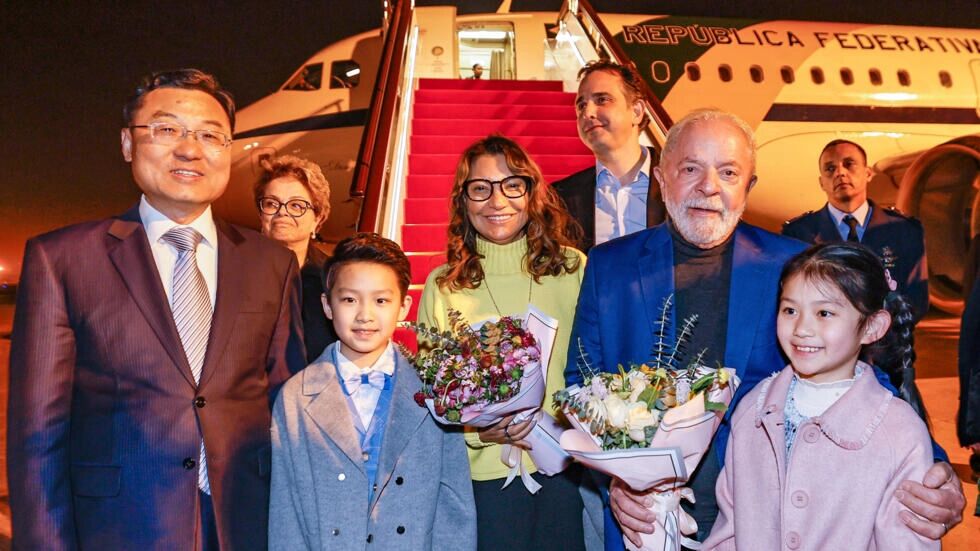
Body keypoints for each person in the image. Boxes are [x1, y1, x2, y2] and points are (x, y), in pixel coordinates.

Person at [566, 109, 966, 549]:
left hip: (766, 517)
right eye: (691, 169)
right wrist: (618, 482)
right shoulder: (611, 267)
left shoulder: (792, 266)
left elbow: (861, 371)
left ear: (748, 186)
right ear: (661, 177)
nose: (709, 186)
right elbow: (581, 387)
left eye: (728, 172)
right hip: (643, 520)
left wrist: (933, 464)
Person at [7, 69, 306, 550]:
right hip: (122, 528)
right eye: (167, 129)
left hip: (245, 524)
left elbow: (288, 407)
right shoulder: (62, 260)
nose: (190, 149)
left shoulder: (271, 263)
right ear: (128, 143)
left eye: (209, 135)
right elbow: (38, 435)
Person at [416, 135, 600, 550]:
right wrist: (484, 430)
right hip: (484, 477)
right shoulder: (443, 285)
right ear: (463, 201)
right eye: (480, 188)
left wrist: (558, 422)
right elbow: (434, 389)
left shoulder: (572, 268)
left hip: (566, 468)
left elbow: (592, 370)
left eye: (512, 185)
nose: (497, 201)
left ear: (531, 192)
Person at [702, 242, 937, 550]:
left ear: (872, 327)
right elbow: (728, 530)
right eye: (790, 310)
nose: (802, 328)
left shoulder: (900, 432)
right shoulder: (753, 410)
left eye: (824, 313)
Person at [269, 233, 476, 549]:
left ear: (404, 306)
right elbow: (286, 512)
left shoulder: (434, 391)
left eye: (381, 301)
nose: (364, 315)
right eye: (349, 300)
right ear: (327, 305)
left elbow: (454, 504)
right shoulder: (296, 396)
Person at [782, 139, 929, 321]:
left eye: (849, 164)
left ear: (868, 173)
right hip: (825, 336)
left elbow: (916, 301)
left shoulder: (904, 230)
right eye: (830, 169)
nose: (840, 173)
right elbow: (792, 301)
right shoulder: (798, 234)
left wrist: (874, 330)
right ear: (821, 183)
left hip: (887, 337)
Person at [551, 60, 665, 252]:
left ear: (636, 111)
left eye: (602, 100)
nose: (587, 113)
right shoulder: (560, 198)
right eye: (581, 105)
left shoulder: (679, 182)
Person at [255, 154, 337, 361]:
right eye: (272, 204)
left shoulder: (333, 279)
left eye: (296, 206)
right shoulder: (235, 273)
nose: (282, 212)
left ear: (317, 219)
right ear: (261, 215)